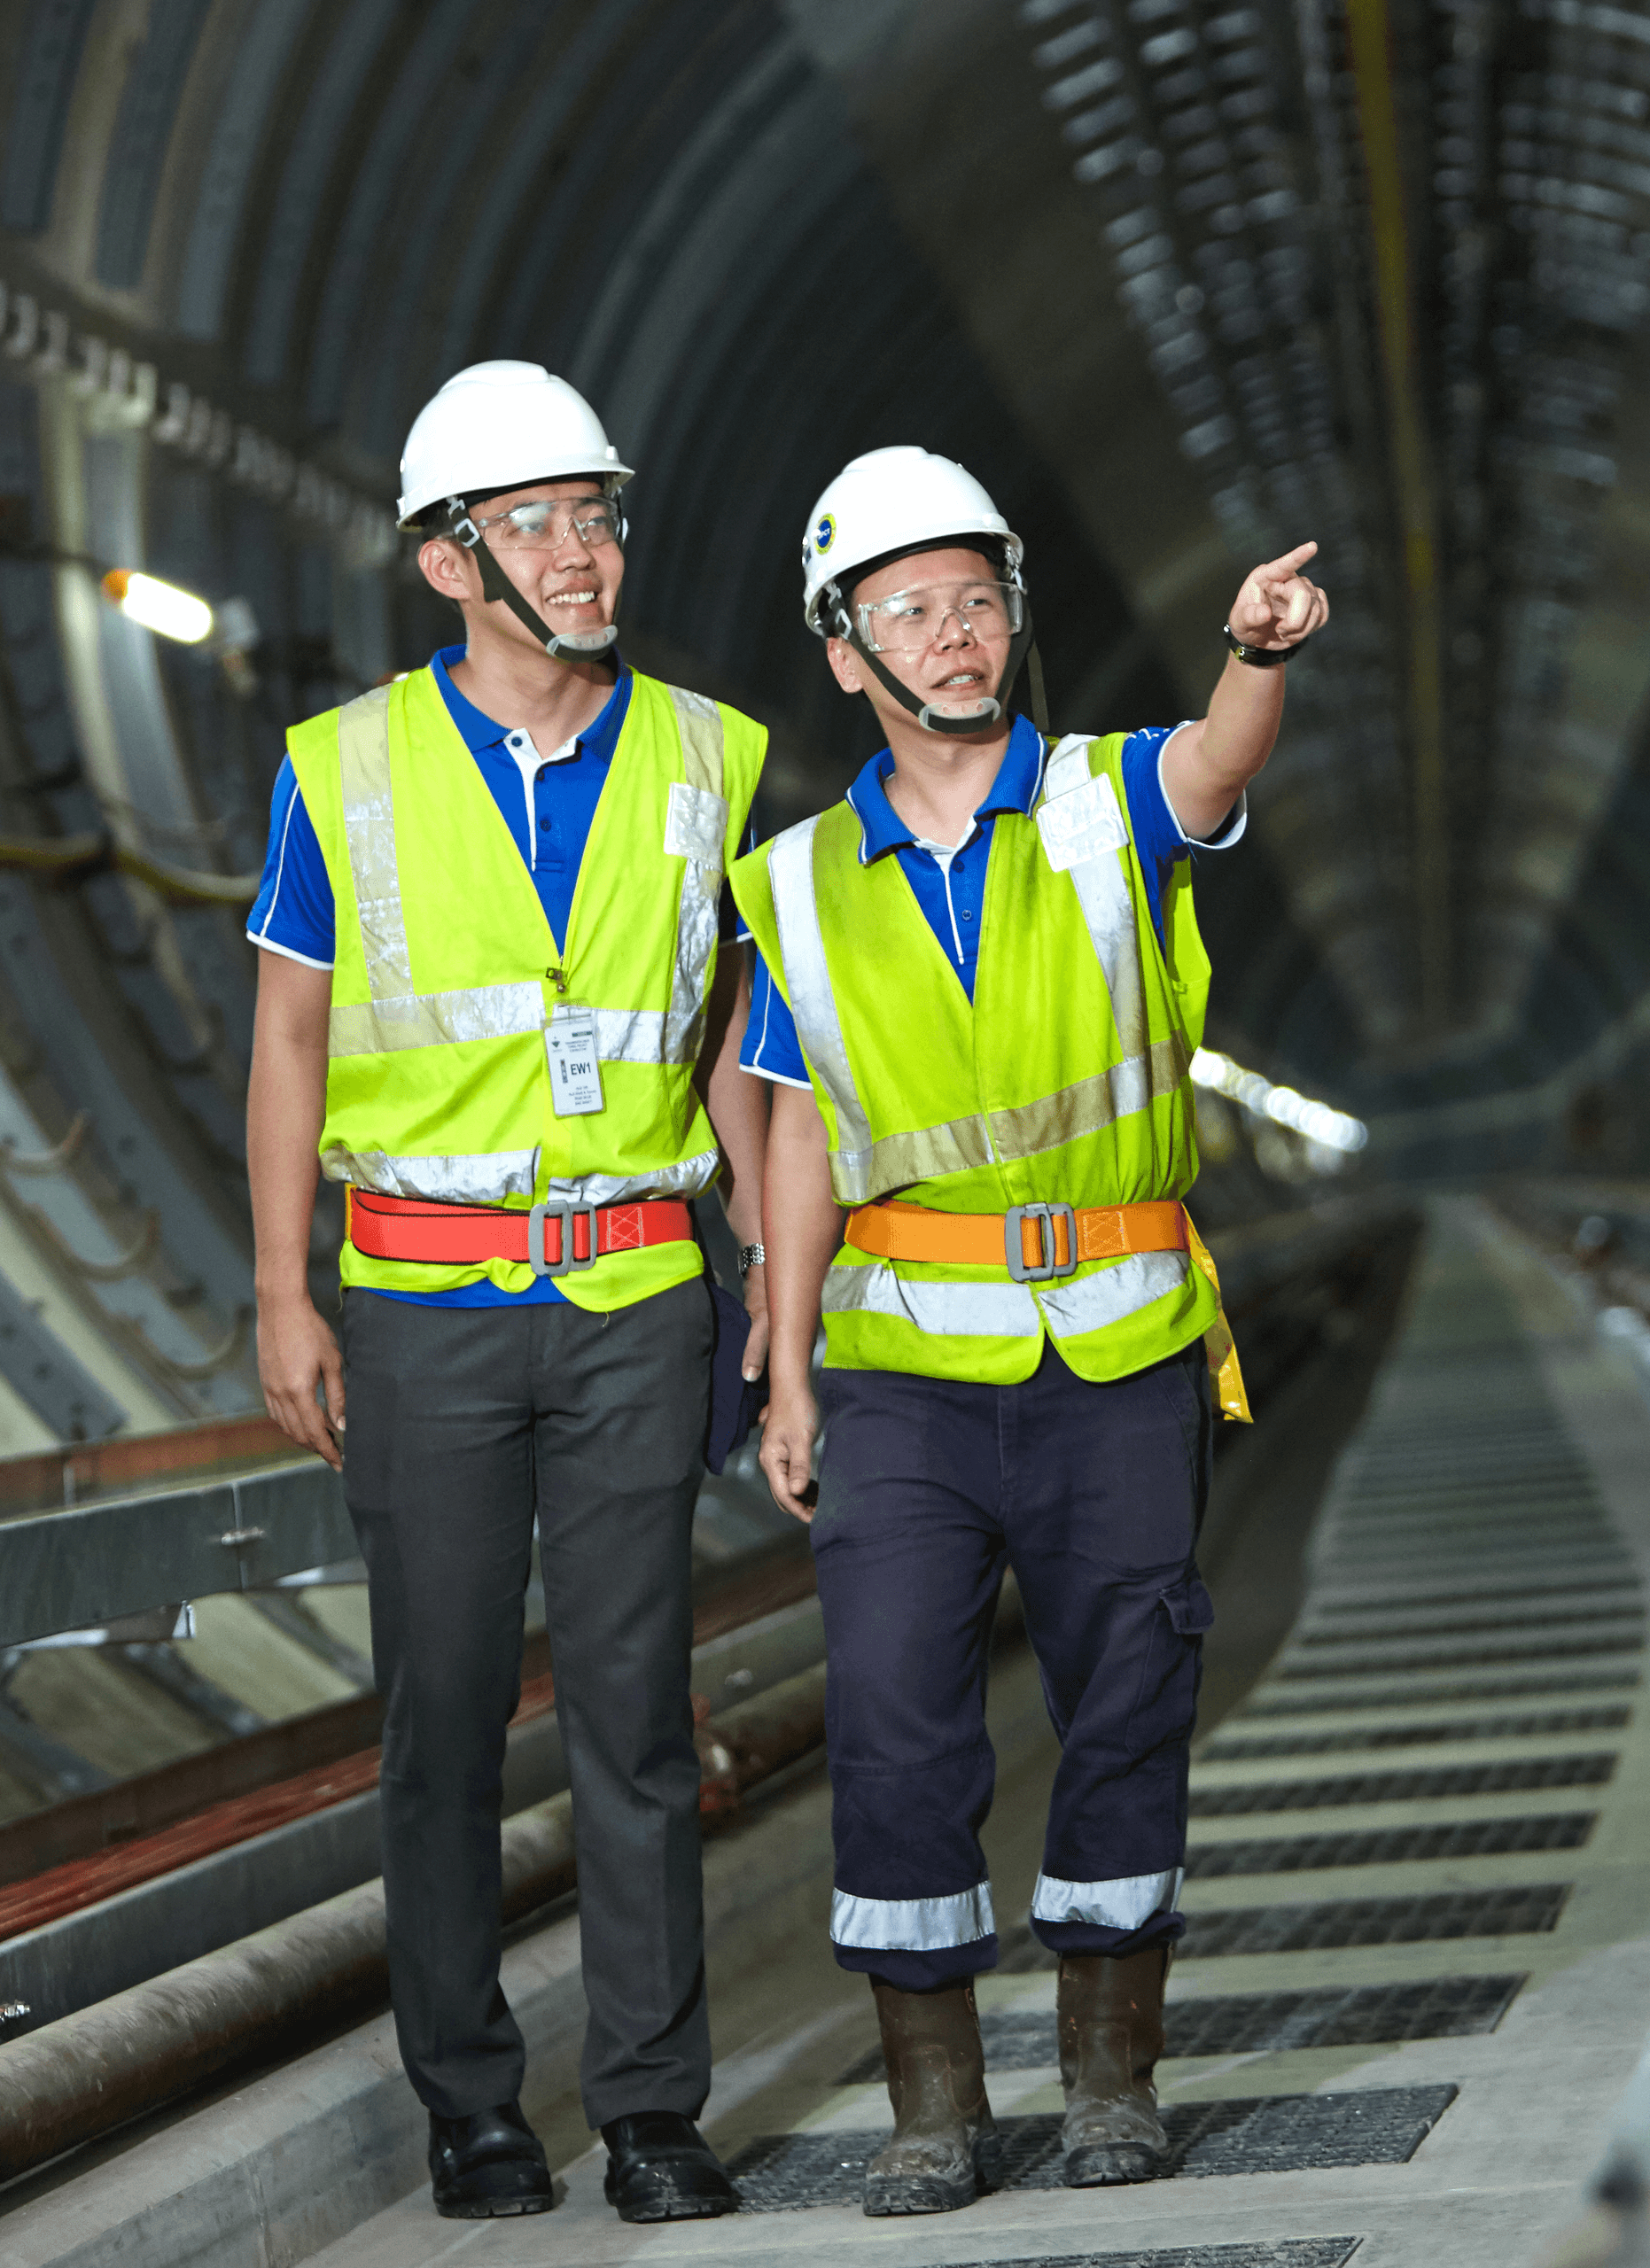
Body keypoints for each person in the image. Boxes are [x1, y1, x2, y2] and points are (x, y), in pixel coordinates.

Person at [727, 447, 1326, 2217]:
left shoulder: (1098, 800)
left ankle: (1111, 2078)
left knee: (1129, 1698)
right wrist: (780, 1358)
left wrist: (1260, 651)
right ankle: (931, 2104)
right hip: (904, 1368)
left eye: (977, 596)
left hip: (1124, 1346)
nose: (956, 631)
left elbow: (1216, 767)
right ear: (849, 650)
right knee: (900, 1711)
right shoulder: (800, 888)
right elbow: (805, 1138)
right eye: (910, 605)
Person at [245, 361, 768, 2225]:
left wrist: (769, 1254)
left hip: (638, 1287)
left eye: (600, 512)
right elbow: (291, 1032)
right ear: (449, 562)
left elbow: (720, 1030)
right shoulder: (345, 766)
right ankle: (470, 2102)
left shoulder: (710, 755)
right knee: (444, 1712)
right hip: (424, 1298)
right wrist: (281, 1290)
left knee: (635, 1710)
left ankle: (649, 2106)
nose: (588, 549)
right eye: (540, 520)